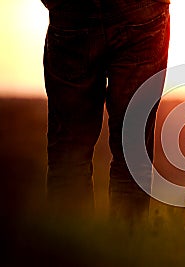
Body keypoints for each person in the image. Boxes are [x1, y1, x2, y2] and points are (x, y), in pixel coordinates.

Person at [41, 0, 170, 224]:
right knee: (132, 155)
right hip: (141, 11)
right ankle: (124, 253)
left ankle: (70, 255)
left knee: (69, 155)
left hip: (73, 12)